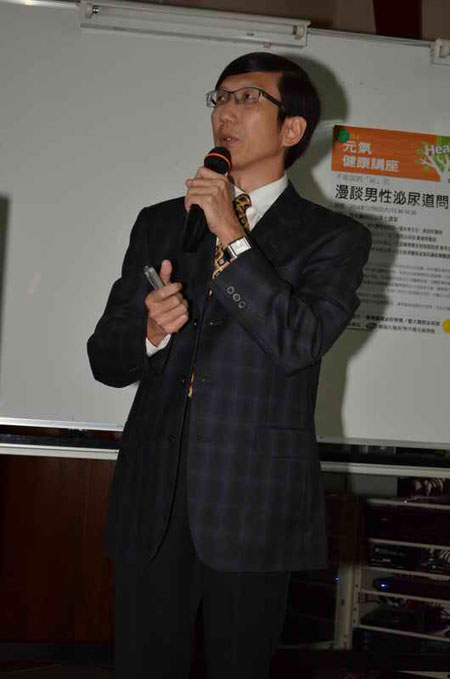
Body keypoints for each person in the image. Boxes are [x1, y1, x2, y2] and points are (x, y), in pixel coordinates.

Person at [87, 51, 371, 679]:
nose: (226, 112)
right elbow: (105, 358)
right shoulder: (161, 222)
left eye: (247, 99)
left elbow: (298, 341)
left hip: (253, 502)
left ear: (292, 129)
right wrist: (149, 333)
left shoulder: (333, 238)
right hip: (153, 498)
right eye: (220, 98)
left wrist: (232, 237)